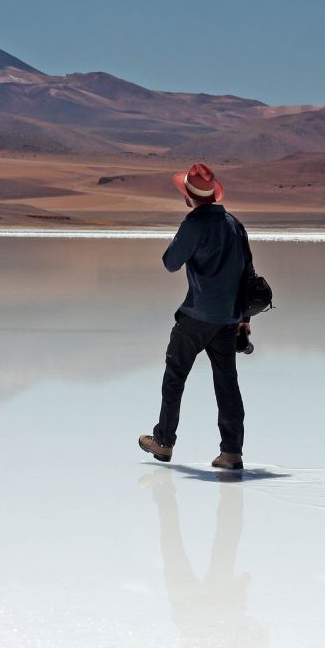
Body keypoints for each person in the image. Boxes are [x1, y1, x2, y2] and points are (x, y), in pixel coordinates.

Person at [139, 162, 256, 471]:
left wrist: (182, 238)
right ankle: (231, 452)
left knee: (175, 375)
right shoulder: (234, 224)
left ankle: (164, 442)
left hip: (197, 316)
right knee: (227, 383)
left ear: (188, 195)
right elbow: (248, 272)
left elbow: (170, 262)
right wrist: (244, 317)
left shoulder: (195, 224)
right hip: (228, 319)